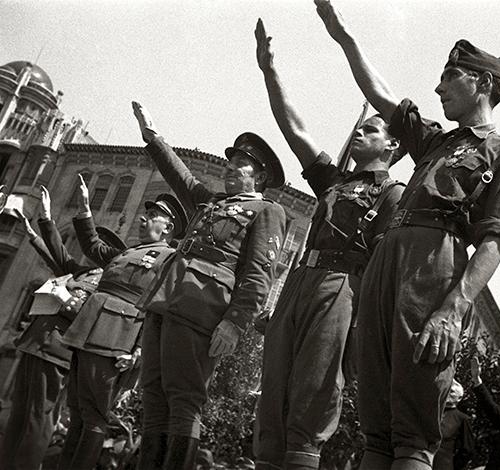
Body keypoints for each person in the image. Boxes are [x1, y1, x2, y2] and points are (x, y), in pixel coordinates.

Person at [314, 1, 500, 468]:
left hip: (434, 265)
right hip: (386, 260)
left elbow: (494, 240)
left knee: (413, 427)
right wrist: (343, 35)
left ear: (484, 83)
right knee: (374, 418)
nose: (437, 88)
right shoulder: (437, 142)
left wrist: (454, 309)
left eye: (450, 76)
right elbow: (381, 95)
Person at [252, 18, 405, 470]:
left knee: (315, 391)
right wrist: (269, 72)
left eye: (372, 130)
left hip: (343, 286)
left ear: (392, 145)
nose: (359, 132)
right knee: (273, 387)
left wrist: (363, 328)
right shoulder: (334, 183)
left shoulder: (393, 194)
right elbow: (294, 130)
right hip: (302, 282)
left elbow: (383, 267)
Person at [132, 101, 287, 470]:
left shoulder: (267, 212)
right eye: (228, 164)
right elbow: (181, 177)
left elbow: (259, 274)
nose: (230, 169)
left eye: (240, 166)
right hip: (166, 302)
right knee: (154, 396)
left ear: (259, 177)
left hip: (203, 311)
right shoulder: (213, 203)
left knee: (184, 400)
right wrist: (153, 138)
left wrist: (235, 323)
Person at [57, 176, 186, 470]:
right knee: (77, 412)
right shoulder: (129, 251)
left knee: (94, 418)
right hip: (88, 330)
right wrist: (85, 209)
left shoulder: (171, 259)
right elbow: (94, 248)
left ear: (168, 228)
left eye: (153, 216)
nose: (144, 218)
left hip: (116, 340)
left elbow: (160, 306)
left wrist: (140, 351)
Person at [0, 186, 108, 470]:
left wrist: (67, 299)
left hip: (57, 351)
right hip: (37, 342)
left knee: (39, 417)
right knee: (20, 415)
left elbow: (94, 317)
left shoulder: (109, 283)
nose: (97, 250)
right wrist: (44, 219)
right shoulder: (86, 273)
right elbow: (58, 253)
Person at [433, 380, 475, 470]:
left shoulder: (462, 418)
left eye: (451, 391)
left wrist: (452, 466)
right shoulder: (432, 412)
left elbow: (467, 449)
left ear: (459, 398)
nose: (448, 393)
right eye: (446, 390)